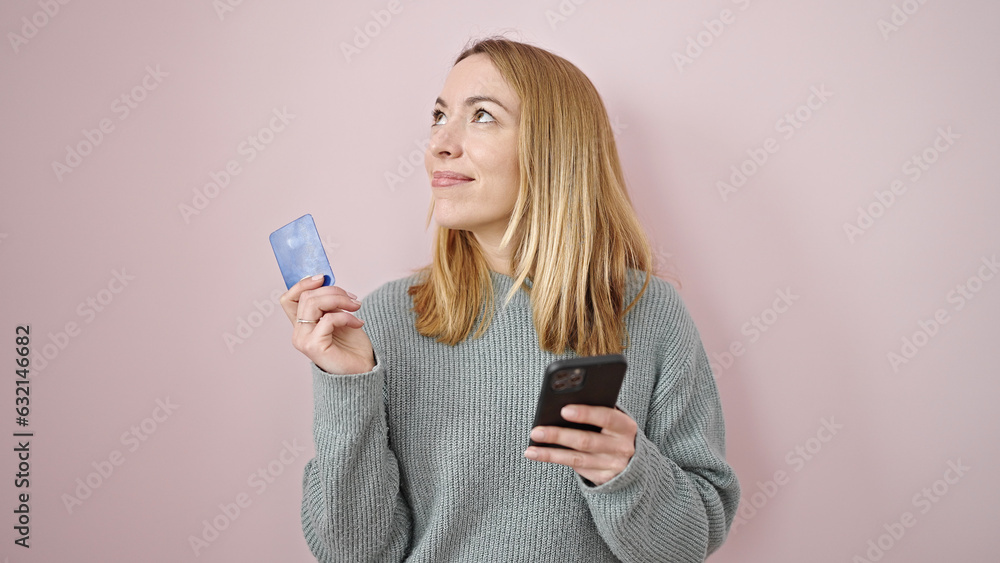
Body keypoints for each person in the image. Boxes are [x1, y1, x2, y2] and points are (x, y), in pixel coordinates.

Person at [281, 37, 740, 562]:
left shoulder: (649, 312)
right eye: (438, 115)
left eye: (482, 116)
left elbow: (689, 542)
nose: (440, 143)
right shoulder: (382, 320)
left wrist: (625, 471)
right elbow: (354, 552)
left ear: (554, 148)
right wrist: (347, 385)